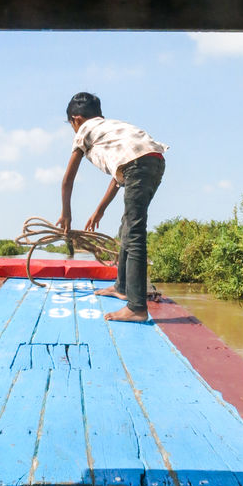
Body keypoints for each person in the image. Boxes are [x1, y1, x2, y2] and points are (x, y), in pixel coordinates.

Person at [56, 92, 168, 322]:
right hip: (154, 161)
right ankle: (122, 287)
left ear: (76, 120)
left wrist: (66, 213)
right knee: (127, 227)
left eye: (71, 125)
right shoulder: (113, 128)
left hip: (138, 165)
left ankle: (136, 307)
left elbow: (68, 178)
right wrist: (100, 209)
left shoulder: (85, 130)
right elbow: (120, 176)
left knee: (134, 232)